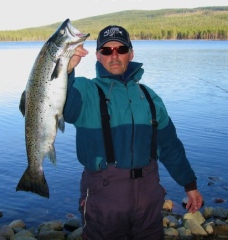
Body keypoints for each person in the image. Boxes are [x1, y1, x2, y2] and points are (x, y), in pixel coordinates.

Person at [63, 25, 203, 240]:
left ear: (131, 53)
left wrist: (190, 185)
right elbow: (49, 105)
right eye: (107, 51)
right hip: (104, 198)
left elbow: (170, 147)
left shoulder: (150, 97)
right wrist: (65, 70)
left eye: (121, 49)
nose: (114, 56)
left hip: (149, 196)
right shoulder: (84, 90)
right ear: (98, 56)